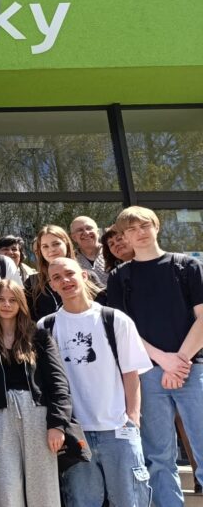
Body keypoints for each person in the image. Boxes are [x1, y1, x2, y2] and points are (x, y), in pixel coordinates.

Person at [107, 206, 203, 507]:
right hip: (147, 375)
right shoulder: (119, 277)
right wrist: (164, 360)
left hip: (192, 370)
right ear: (124, 237)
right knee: (158, 457)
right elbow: (124, 331)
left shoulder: (187, 266)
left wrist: (180, 361)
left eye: (145, 226)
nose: (140, 233)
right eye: (131, 229)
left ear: (156, 227)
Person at [42, 257, 153, 507]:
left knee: (129, 501)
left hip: (117, 429)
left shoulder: (114, 319)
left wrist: (132, 418)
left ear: (83, 275)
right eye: (57, 277)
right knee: (82, 502)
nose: (65, 280)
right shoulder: (46, 326)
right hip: (74, 433)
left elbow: (131, 372)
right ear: (52, 285)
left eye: (69, 273)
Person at [0, 280, 72, 507]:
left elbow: (58, 383)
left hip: (37, 413)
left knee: (43, 490)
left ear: (21, 303)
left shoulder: (39, 336)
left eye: (13, 300)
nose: (7, 305)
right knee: (6, 490)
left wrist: (57, 424)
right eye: (1, 299)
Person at [25, 225, 103, 322]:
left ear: (66, 244)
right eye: (45, 246)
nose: (51, 249)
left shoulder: (88, 276)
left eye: (56, 244)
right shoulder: (32, 284)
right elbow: (29, 321)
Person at [70, 216, 109, 285]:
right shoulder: (71, 259)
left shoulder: (112, 251)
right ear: (74, 237)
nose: (86, 232)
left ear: (98, 232)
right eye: (80, 230)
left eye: (89, 228)